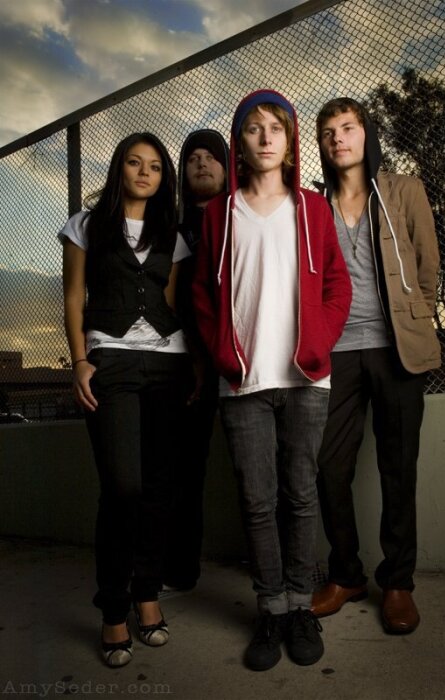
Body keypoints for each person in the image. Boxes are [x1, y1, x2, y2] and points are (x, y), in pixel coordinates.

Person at [192, 90, 352, 671]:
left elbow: (337, 284)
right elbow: (202, 295)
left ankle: (301, 606)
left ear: (290, 141)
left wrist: (319, 342)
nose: (265, 137)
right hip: (243, 382)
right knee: (257, 500)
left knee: (300, 494)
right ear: (240, 142)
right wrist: (221, 352)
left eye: (275, 128)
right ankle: (271, 609)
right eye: (254, 128)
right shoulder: (219, 214)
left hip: (306, 378)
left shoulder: (312, 208)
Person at [60, 132, 192, 667]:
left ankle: (147, 595)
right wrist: (80, 361)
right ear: (119, 169)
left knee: (158, 488)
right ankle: (113, 608)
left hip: (167, 363)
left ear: (164, 178)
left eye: (155, 166)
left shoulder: (172, 235)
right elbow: (74, 297)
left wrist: (192, 364)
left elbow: (169, 301)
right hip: (109, 362)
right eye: (135, 163)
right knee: (122, 487)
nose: (144, 173)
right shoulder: (85, 225)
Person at [311, 98, 441, 634]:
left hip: (396, 348)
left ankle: (398, 583)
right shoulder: (314, 207)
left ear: (366, 134)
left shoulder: (404, 190)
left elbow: (427, 268)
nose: (338, 138)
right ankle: (347, 574)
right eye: (328, 132)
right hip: (337, 351)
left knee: (398, 467)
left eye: (348, 127)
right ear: (321, 145)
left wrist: (414, 322)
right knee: (327, 466)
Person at [162, 129, 229, 592]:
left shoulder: (245, 218)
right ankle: (181, 569)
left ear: (227, 166)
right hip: (190, 364)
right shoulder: (172, 231)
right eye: (192, 158)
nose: (202, 163)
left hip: (247, 357)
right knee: (185, 468)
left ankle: (279, 567)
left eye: (211, 156)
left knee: (265, 465)